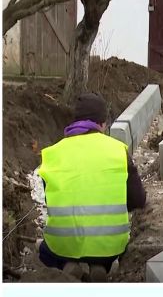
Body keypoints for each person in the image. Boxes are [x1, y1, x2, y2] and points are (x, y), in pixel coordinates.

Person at [36, 92, 146, 282]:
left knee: (43, 250)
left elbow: (51, 201)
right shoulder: (118, 150)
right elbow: (138, 199)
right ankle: (101, 266)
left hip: (63, 245)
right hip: (110, 245)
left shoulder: (53, 153)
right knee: (110, 248)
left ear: (74, 122)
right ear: (103, 124)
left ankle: (68, 266)